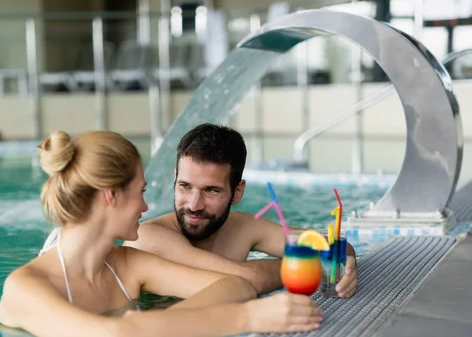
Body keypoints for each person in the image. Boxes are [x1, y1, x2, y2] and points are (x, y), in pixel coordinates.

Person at [0, 130, 323, 337]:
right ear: (111, 196)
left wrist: (159, 324)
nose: (146, 207)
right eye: (140, 192)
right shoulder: (25, 287)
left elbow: (237, 286)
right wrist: (249, 318)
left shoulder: (127, 263)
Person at [125, 123, 358, 298]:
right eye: (185, 186)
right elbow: (248, 279)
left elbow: (336, 247)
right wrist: (310, 265)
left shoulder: (243, 227)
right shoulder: (147, 237)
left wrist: (344, 265)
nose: (194, 205)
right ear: (175, 179)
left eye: (211, 191)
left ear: (237, 192)